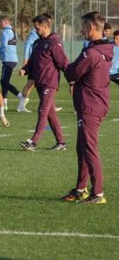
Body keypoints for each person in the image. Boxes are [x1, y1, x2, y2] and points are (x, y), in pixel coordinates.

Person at [61, 12, 113, 204]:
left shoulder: (91, 53)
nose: (81, 30)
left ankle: (97, 193)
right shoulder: (106, 49)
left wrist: (69, 69)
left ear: (91, 28)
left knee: (89, 148)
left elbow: (71, 72)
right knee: (82, 147)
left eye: (83, 27)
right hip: (95, 103)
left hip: (90, 106)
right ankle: (81, 188)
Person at [18, 14, 68, 151]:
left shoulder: (54, 43)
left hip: (49, 83)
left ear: (45, 27)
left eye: (38, 28)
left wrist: (72, 81)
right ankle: (61, 142)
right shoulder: (38, 43)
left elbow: (64, 64)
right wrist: (24, 69)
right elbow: (33, 61)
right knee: (51, 113)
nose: (36, 31)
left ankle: (33, 141)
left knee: (43, 110)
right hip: (39, 82)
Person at [0, 16, 24, 108]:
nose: (0, 24)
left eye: (1, 22)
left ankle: (20, 96)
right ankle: (4, 103)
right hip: (13, 59)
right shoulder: (13, 32)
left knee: (4, 81)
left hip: (8, 59)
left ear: (5, 23)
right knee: (5, 81)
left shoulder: (5, 32)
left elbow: (4, 45)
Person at [17, 27, 39, 113]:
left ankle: (21, 105)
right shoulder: (35, 31)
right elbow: (28, 43)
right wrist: (26, 58)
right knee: (31, 83)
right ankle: (21, 105)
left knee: (32, 83)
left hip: (37, 61)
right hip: (33, 61)